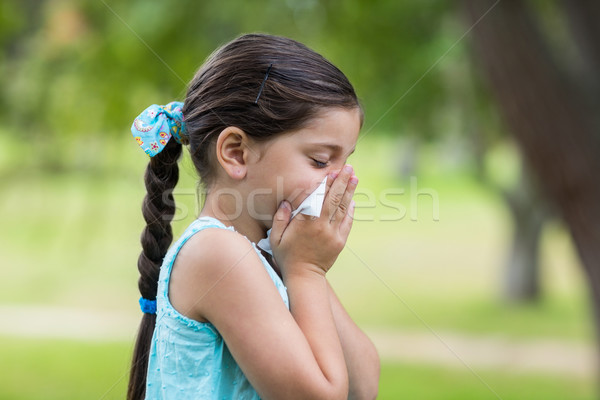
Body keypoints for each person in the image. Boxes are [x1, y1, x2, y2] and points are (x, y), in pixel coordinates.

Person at [128, 33, 380, 400]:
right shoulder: (216, 253)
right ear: (236, 153)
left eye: (345, 159)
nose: (340, 179)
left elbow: (364, 387)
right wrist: (306, 272)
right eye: (321, 161)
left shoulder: (276, 252)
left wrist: (305, 267)